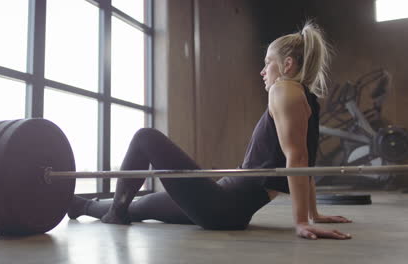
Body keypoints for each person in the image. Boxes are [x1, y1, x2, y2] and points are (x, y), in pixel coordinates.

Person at [67, 21, 352, 240]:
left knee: (145, 138)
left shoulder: (284, 89)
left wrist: (302, 222)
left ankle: (115, 214)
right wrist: (313, 214)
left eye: (268, 63)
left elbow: (298, 161)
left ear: (287, 65)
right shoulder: (306, 98)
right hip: (225, 205)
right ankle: (76, 205)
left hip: (222, 206)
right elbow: (305, 162)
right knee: (142, 207)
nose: (263, 71)